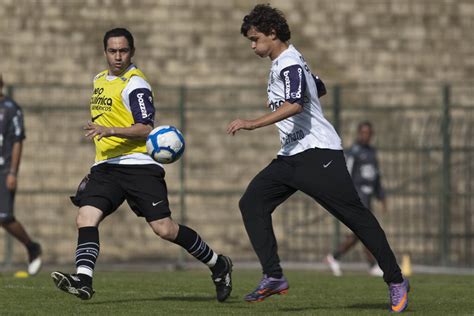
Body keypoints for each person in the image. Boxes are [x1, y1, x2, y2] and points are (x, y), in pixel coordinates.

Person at [227, 4, 409, 312]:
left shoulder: (288, 64)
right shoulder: (287, 64)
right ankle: (273, 275)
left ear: (273, 34)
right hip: (290, 156)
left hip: (318, 153)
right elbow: (317, 87)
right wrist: (309, 86)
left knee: (356, 217)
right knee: (252, 202)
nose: (252, 45)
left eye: (255, 39)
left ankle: (395, 280)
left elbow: (296, 104)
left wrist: (251, 123)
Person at [50, 28, 232, 302]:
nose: (118, 56)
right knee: (85, 218)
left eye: (123, 51)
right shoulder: (99, 80)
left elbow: (146, 128)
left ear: (132, 52)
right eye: (113, 51)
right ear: (105, 52)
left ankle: (218, 263)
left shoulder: (136, 84)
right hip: (106, 167)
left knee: (164, 229)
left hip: (139, 166)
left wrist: (109, 131)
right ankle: (84, 280)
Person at [326, 121, 387, 277]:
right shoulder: (354, 152)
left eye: (369, 133)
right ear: (359, 133)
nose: (366, 135)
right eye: (364, 132)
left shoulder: (372, 152)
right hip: (358, 196)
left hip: (367, 197)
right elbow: (346, 173)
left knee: (361, 232)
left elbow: (376, 176)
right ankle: (372, 264)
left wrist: (381, 196)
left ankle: (334, 257)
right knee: (366, 230)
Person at [0, 73, 42, 275]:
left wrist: (12, 172)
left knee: (4, 217)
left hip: (4, 169)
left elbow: (17, 141)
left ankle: (31, 247)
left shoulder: (11, 109)